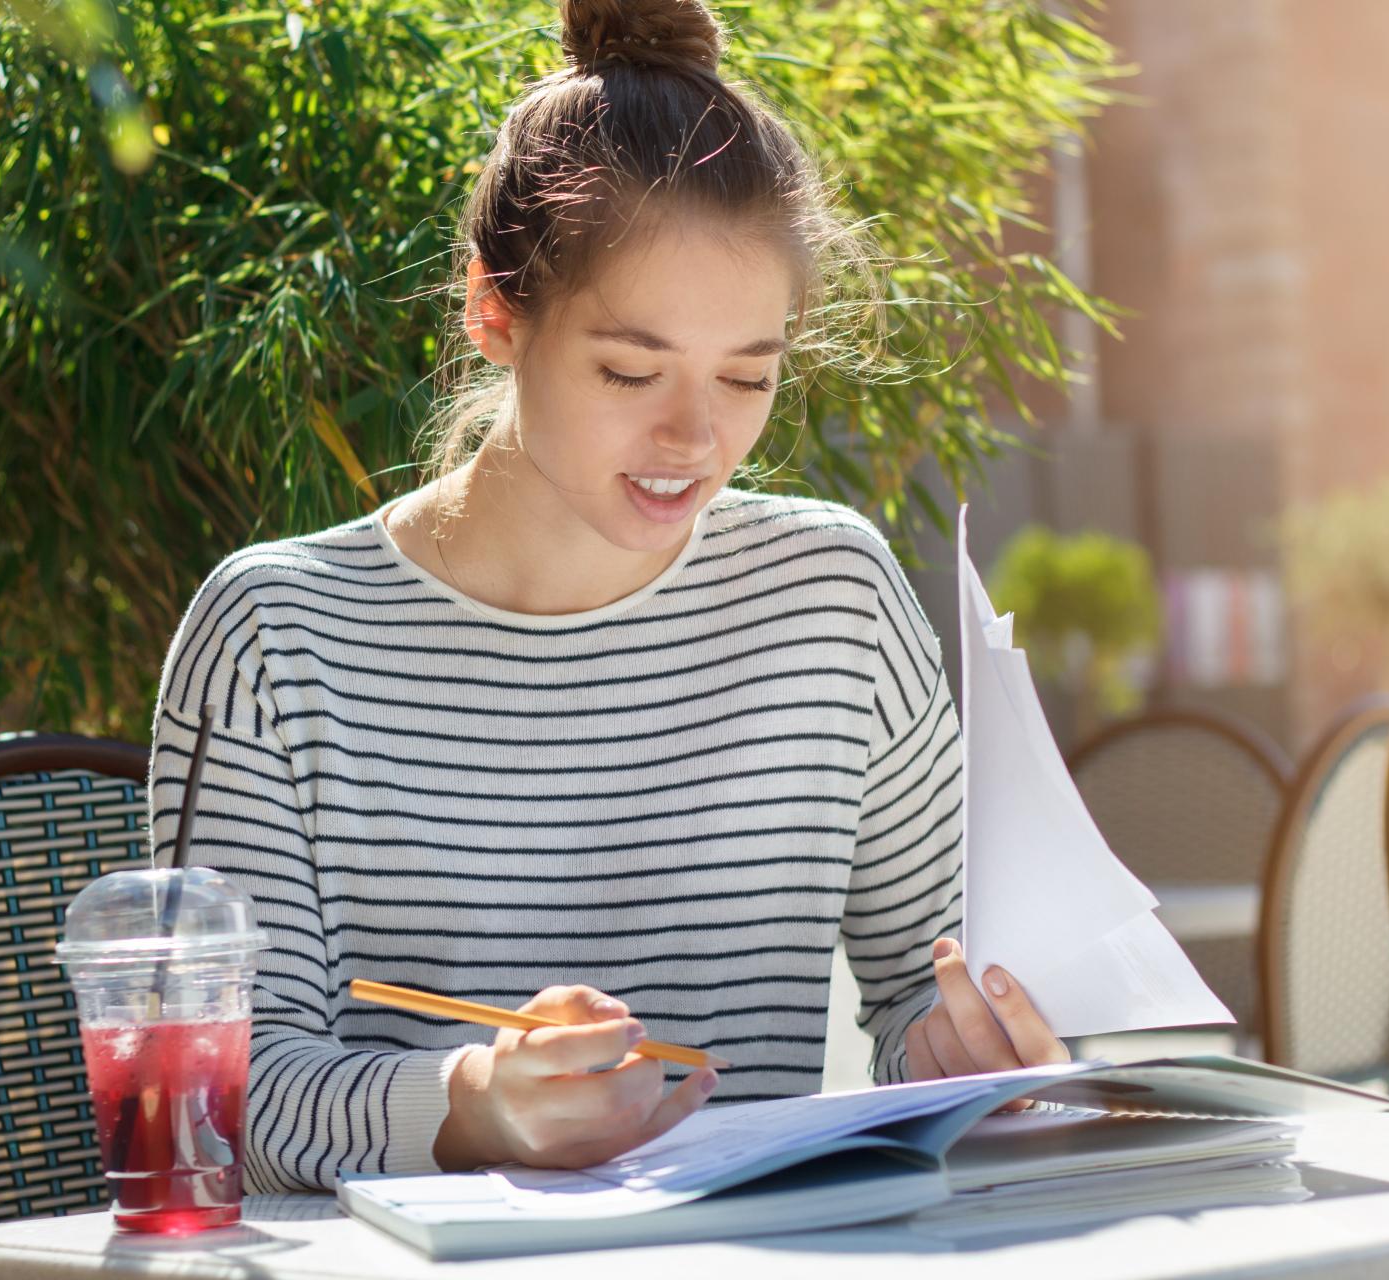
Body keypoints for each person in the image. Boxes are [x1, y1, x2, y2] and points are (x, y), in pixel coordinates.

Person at [148, 0, 1067, 1194]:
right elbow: (200, 1097)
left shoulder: (829, 600)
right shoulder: (274, 637)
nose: (694, 435)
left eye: (748, 375)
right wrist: (471, 1105)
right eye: (630, 369)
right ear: (494, 310)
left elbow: (918, 996)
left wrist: (964, 1050)